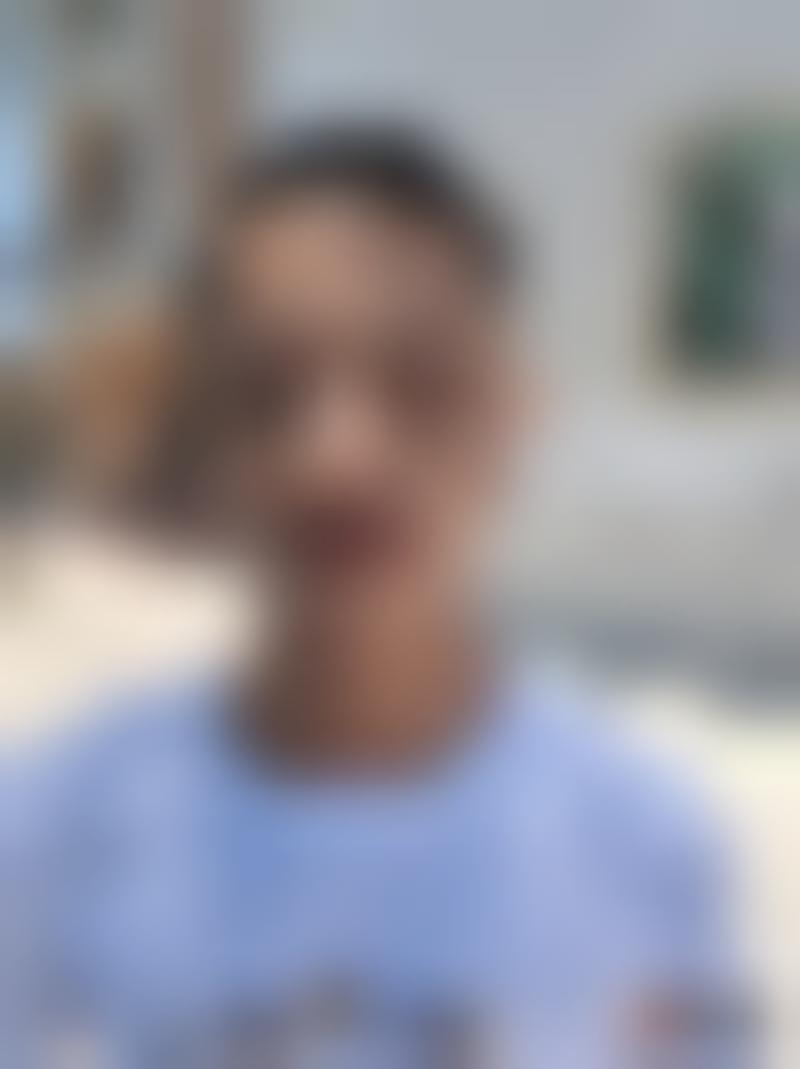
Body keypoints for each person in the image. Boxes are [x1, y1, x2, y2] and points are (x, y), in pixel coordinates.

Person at [12, 126, 742, 1067]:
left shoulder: (641, 838)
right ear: (205, 434)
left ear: (513, 412)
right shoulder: (61, 821)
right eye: (268, 389)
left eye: (416, 380)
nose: (337, 456)